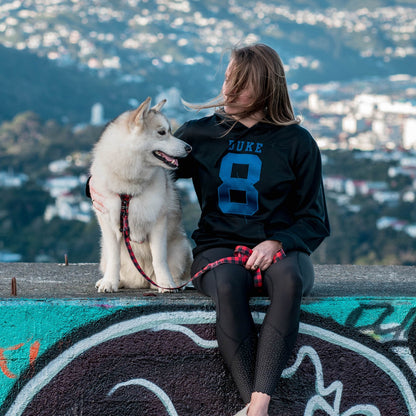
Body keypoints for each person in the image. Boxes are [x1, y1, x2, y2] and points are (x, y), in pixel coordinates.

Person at [89, 43, 330, 416]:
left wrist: (278, 242)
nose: (228, 88)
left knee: (288, 280)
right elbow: (136, 166)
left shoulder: (297, 142)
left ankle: (258, 404)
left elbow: (315, 219)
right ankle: (256, 406)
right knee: (230, 284)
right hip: (219, 247)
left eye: (241, 82)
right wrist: (92, 183)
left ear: (266, 87)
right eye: (228, 78)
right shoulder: (199, 134)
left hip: (282, 249)